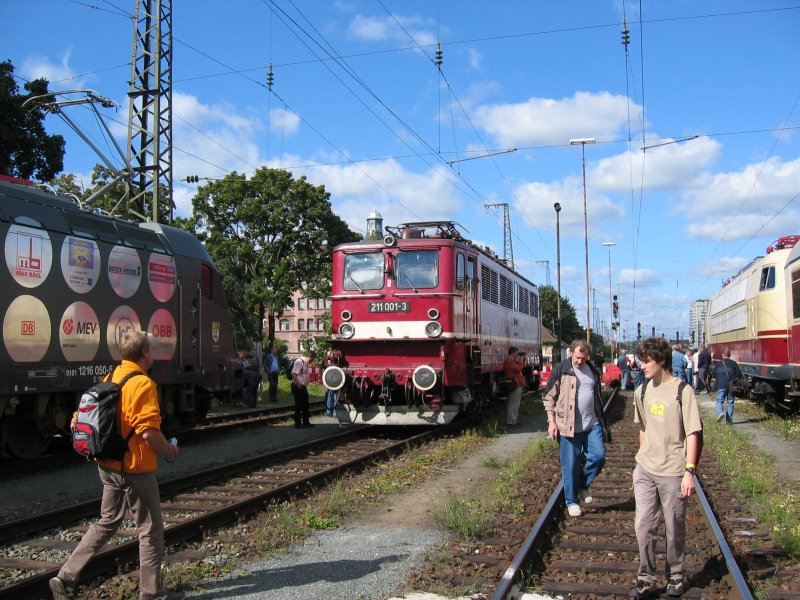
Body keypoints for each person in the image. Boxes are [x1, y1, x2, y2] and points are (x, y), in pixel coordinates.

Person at [49, 331, 183, 600]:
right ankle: (152, 593)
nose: (153, 352)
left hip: (107, 465)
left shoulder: (110, 378)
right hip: (136, 469)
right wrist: (169, 450)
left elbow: (79, 419)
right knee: (150, 529)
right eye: (152, 348)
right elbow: (147, 432)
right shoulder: (144, 385)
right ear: (145, 353)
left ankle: (65, 576)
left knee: (107, 521)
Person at [630, 337, 702, 599]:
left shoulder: (683, 392)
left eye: (646, 361)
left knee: (674, 527)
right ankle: (645, 577)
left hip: (673, 471)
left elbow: (693, 433)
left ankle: (676, 575)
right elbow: (643, 429)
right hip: (646, 470)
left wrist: (689, 471)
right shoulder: (642, 392)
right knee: (643, 526)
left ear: (661, 360)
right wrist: (642, 459)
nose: (642, 366)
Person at [542, 339, 610, 518]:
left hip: (591, 424)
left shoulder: (593, 371)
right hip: (567, 426)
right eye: (577, 357)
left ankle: (582, 484)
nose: (580, 361)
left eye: (583, 358)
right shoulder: (562, 369)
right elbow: (549, 398)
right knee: (570, 465)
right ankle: (572, 501)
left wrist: (602, 421)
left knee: (598, 456)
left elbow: (597, 397)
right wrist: (552, 421)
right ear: (571, 353)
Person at [712, 348, 742, 423]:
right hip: (731, 386)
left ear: (722, 355)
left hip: (721, 385)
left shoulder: (718, 364)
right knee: (730, 402)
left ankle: (720, 413)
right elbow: (739, 375)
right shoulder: (734, 364)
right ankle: (729, 421)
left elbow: (713, 373)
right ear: (730, 355)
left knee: (719, 400)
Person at [503, 346, 526, 427]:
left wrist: (517, 359)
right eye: (517, 353)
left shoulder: (511, 361)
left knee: (515, 403)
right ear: (513, 353)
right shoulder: (508, 361)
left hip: (516, 384)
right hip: (514, 384)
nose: (517, 355)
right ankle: (511, 421)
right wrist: (521, 360)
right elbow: (518, 368)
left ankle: (513, 420)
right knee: (513, 403)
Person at [291, 350, 314, 428]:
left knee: (305, 405)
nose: (312, 361)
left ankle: (306, 422)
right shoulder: (299, 362)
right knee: (299, 405)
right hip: (298, 386)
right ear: (309, 357)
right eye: (312, 359)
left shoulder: (305, 363)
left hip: (302, 386)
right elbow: (293, 373)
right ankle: (297, 424)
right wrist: (298, 383)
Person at [323, 349, 342, 416]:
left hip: (332, 380)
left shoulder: (328, 363)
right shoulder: (327, 363)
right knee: (333, 395)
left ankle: (332, 412)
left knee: (332, 395)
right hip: (332, 380)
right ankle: (333, 412)